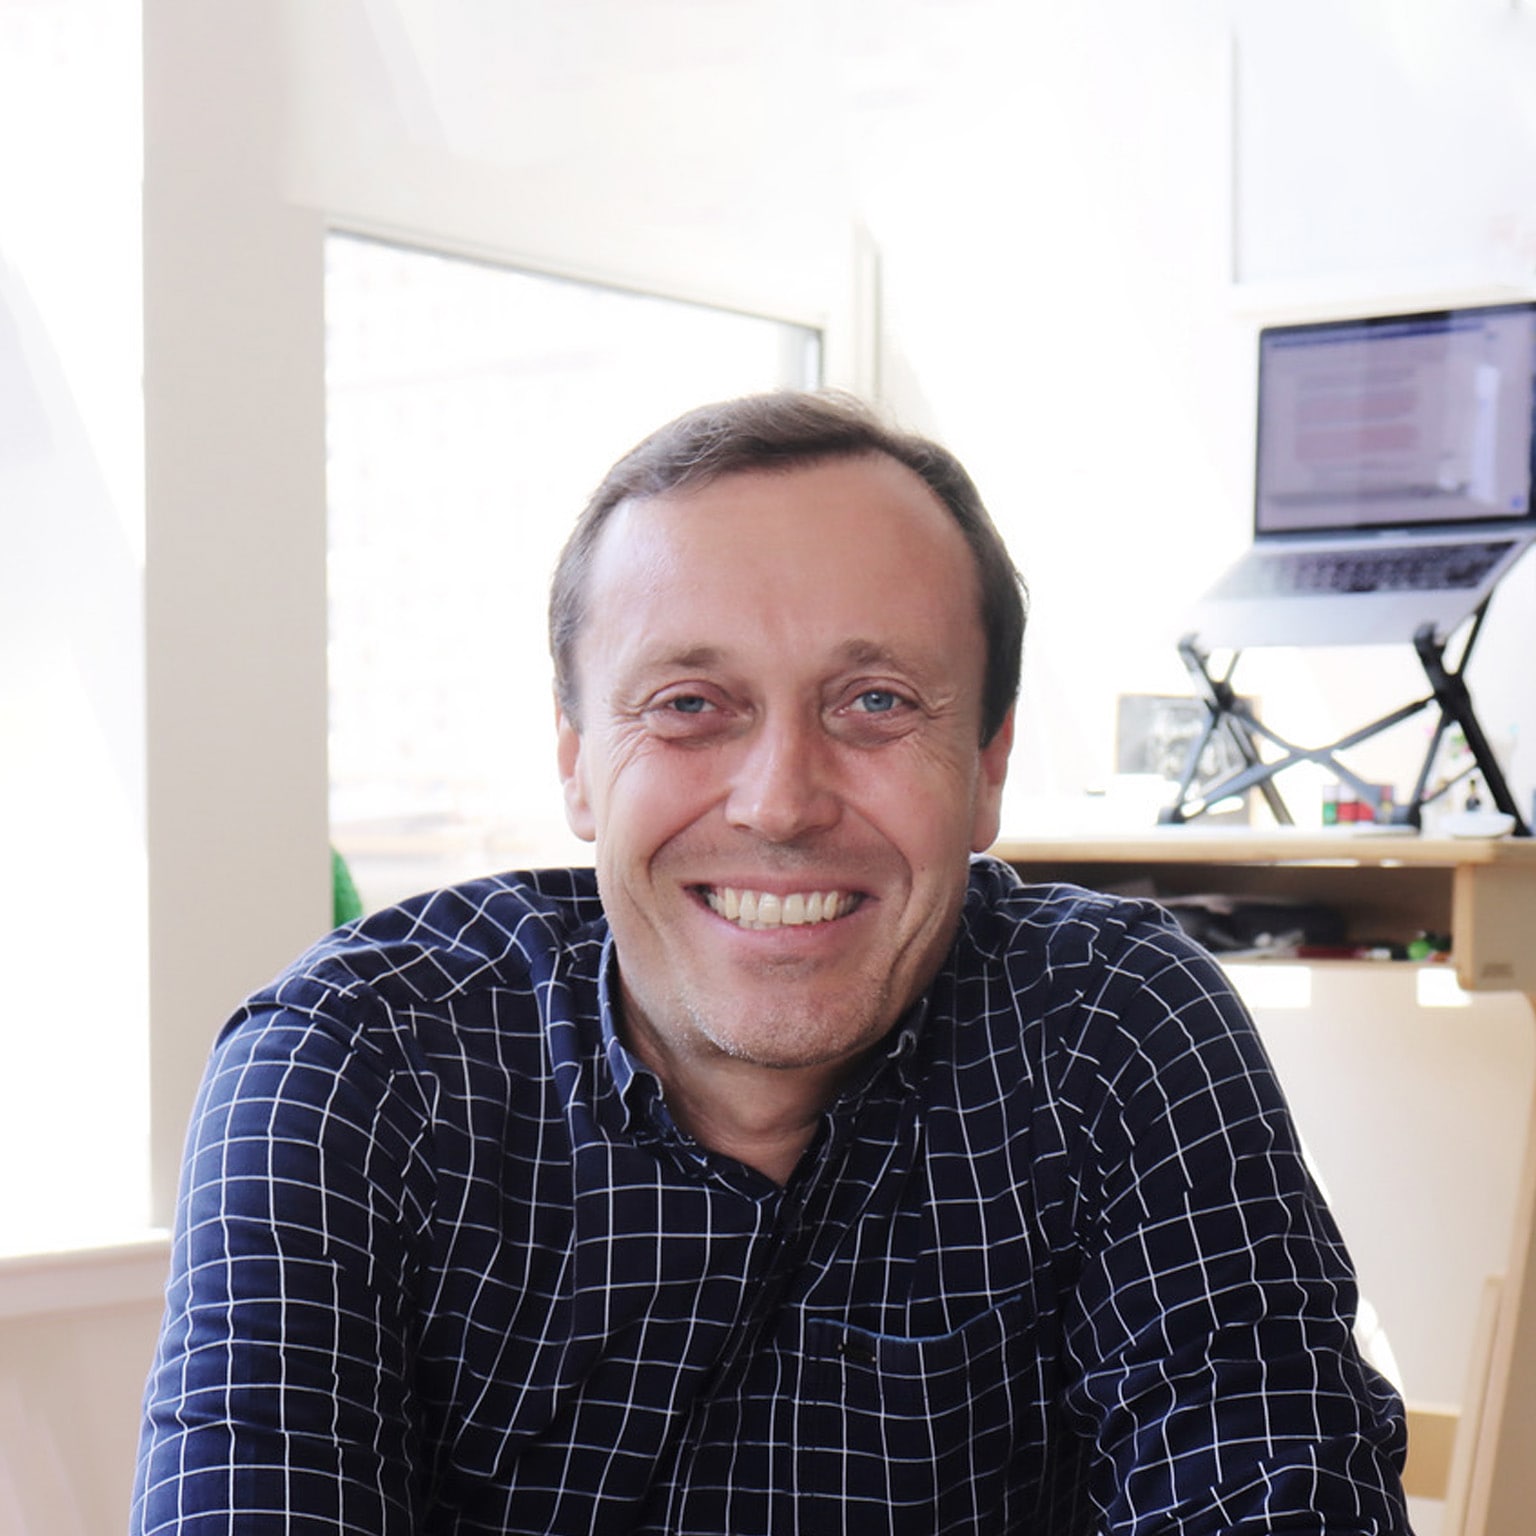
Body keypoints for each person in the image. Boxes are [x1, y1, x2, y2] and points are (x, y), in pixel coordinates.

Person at [132, 391, 1410, 1534]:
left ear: (988, 767)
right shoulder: (353, 1071)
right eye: (690, 705)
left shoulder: (1116, 1030)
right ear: (577, 762)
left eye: (875, 702)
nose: (781, 802)